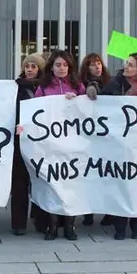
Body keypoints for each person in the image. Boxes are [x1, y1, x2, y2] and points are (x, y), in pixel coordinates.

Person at [88, 53, 137, 240]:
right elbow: (101, 101)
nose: (126, 67)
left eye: (131, 65)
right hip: (119, 144)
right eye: (126, 64)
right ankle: (120, 226)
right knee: (121, 184)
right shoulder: (116, 82)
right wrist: (92, 88)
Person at [35, 50, 86, 241]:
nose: (61, 68)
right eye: (58, 65)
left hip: (72, 144)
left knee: (70, 184)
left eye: (65, 64)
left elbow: (88, 110)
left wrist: (78, 101)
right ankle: (52, 225)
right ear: (52, 67)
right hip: (50, 143)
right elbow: (35, 111)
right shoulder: (43, 87)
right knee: (52, 184)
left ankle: (70, 225)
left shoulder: (78, 85)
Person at [11, 53, 45, 236]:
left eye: (33, 66)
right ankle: (18, 223)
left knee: (40, 181)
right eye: (27, 66)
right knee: (19, 182)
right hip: (20, 140)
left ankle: (40, 219)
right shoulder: (15, 88)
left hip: (42, 141)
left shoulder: (46, 87)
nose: (30, 70)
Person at [77, 53, 111, 227]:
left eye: (98, 63)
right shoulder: (81, 85)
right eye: (92, 64)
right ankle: (88, 212)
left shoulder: (111, 83)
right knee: (88, 175)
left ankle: (109, 212)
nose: (97, 67)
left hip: (107, 136)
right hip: (89, 136)